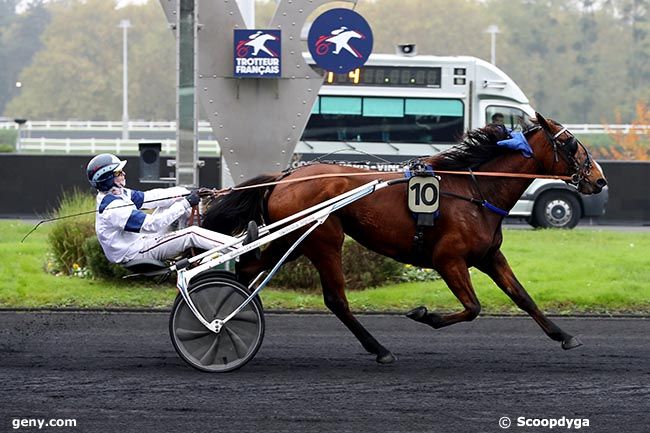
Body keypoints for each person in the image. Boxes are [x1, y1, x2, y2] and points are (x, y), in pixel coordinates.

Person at [86, 153, 235, 264]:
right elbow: (153, 225)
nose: (124, 174)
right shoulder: (114, 208)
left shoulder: (119, 192)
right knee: (191, 234)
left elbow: (153, 197)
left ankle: (210, 230)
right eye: (118, 173)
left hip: (140, 241)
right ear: (107, 179)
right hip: (136, 252)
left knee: (173, 202)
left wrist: (188, 192)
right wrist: (186, 203)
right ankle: (238, 248)